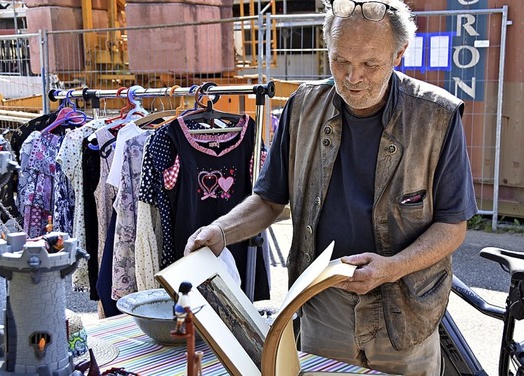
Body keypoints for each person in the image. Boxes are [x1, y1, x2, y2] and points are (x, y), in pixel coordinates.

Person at [185, 0, 478, 374]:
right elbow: (269, 200)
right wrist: (221, 230)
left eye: (370, 64)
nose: (353, 77)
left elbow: (453, 226)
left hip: (405, 310)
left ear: (399, 54)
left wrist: (391, 267)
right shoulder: (302, 107)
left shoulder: (437, 116)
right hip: (323, 306)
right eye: (340, 61)